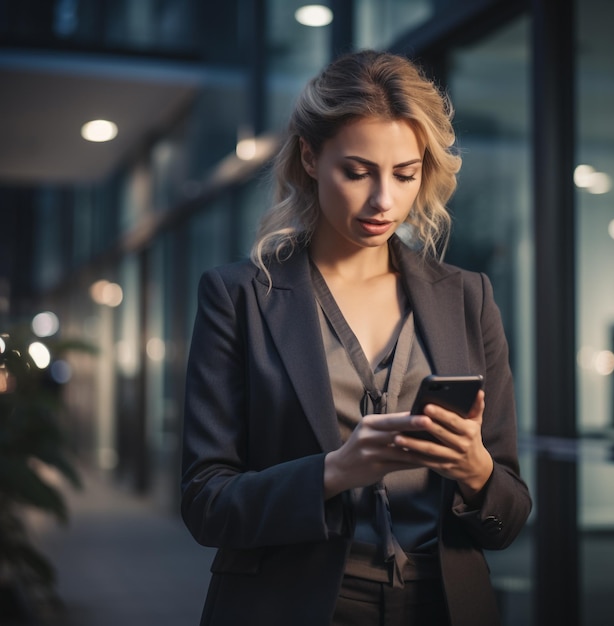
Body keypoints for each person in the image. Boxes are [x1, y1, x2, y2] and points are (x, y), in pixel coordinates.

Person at [180, 49, 532, 626]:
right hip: (291, 604)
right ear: (311, 158)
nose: (384, 201)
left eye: (405, 174)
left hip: (442, 604)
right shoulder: (238, 296)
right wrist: (335, 471)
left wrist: (476, 470)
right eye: (358, 171)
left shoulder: (469, 297)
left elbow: (511, 514)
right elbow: (206, 504)